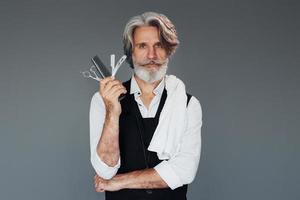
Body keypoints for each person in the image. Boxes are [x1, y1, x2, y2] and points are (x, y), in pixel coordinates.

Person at [89, 11, 203, 200]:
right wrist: (112, 112)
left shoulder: (188, 104)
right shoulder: (103, 100)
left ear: (168, 50)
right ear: (131, 52)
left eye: (159, 45)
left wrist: (119, 182)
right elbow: (105, 169)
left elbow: (184, 171)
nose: (152, 55)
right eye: (143, 46)